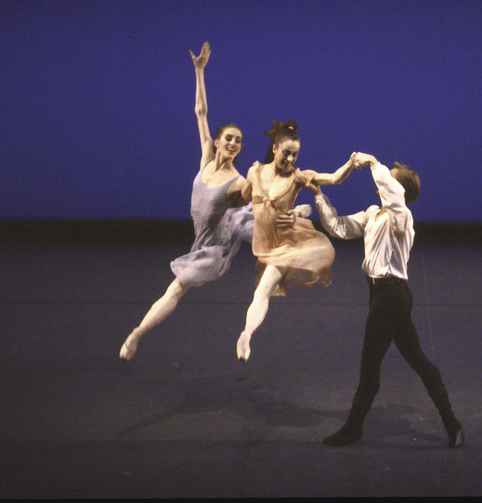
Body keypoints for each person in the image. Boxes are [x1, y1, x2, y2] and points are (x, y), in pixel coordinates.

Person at [120, 42, 274, 361]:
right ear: (216, 142)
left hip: (216, 247)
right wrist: (199, 71)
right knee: (178, 286)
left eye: (239, 141)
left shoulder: (238, 180)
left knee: (177, 287)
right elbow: (200, 111)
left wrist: (260, 183)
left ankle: (136, 335)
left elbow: (249, 193)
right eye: (228, 138)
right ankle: (136, 333)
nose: (233, 143)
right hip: (203, 235)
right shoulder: (206, 156)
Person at [305, 152, 464, 448]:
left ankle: (354, 427)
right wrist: (318, 195)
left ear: (397, 189)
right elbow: (337, 226)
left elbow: (394, 197)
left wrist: (373, 162)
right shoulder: (372, 214)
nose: (383, 182)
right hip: (382, 295)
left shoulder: (402, 217)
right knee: (419, 362)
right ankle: (452, 423)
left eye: (390, 179)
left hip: (391, 296)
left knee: (370, 365)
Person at [235, 120, 357, 361]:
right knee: (262, 291)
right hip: (264, 243)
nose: (290, 159)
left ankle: (246, 335)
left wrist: (351, 164)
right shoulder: (254, 171)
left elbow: (332, 179)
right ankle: (247, 333)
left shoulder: (298, 177)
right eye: (286, 153)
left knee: (263, 290)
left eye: (295, 154)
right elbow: (243, 196)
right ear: (274, 149)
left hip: (286, 246)